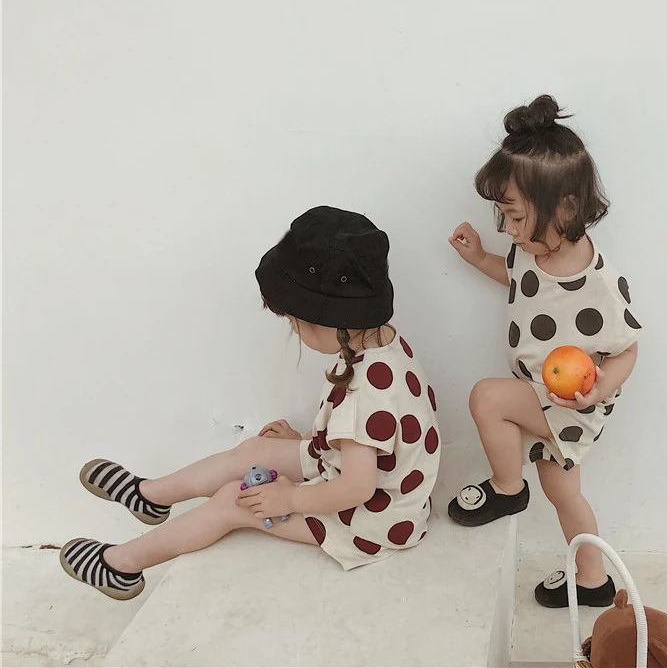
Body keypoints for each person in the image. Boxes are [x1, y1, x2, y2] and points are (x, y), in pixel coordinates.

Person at [60, 206, 440, 599]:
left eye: (293, 321)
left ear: (325, 320)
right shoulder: (382, 345)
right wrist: (312, 441)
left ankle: (120, 566)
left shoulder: (364, 396)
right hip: (369, 477)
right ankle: (151, 496)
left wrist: (290, 497)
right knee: (255, 451)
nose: (293, 329)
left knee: (232, 501)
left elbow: (357, 487)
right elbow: (374, 437)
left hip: (373, 522)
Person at [447, 95, 643, 608]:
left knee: (487, 397)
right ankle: (593, 580)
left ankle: (507, 489)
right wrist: (479, 258)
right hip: (540, 393)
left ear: (566, 209)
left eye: (515, 217)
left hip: (571, 403)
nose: (509, 231)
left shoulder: (598, 282)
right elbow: (513, 277)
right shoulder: (528, 251)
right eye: (503, 217)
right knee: (564, 493)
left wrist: (602, 386)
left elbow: (626, 350)